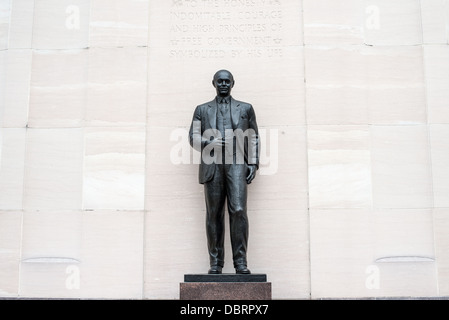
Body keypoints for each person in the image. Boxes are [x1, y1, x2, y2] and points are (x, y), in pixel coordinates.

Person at [189, 70, 259, 274]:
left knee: (238, 210)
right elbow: (192, 136)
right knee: (214, 214)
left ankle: (240, 262)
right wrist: (208, 141)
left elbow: (253, 135)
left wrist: (253, 163)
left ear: (233, 83)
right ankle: (216, 263)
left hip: (236, 162)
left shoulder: (245, 108)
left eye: (227, 81)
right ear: (213, 83)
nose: (223, 84)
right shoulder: (201, 110)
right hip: (212, 163)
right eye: (219, 81)